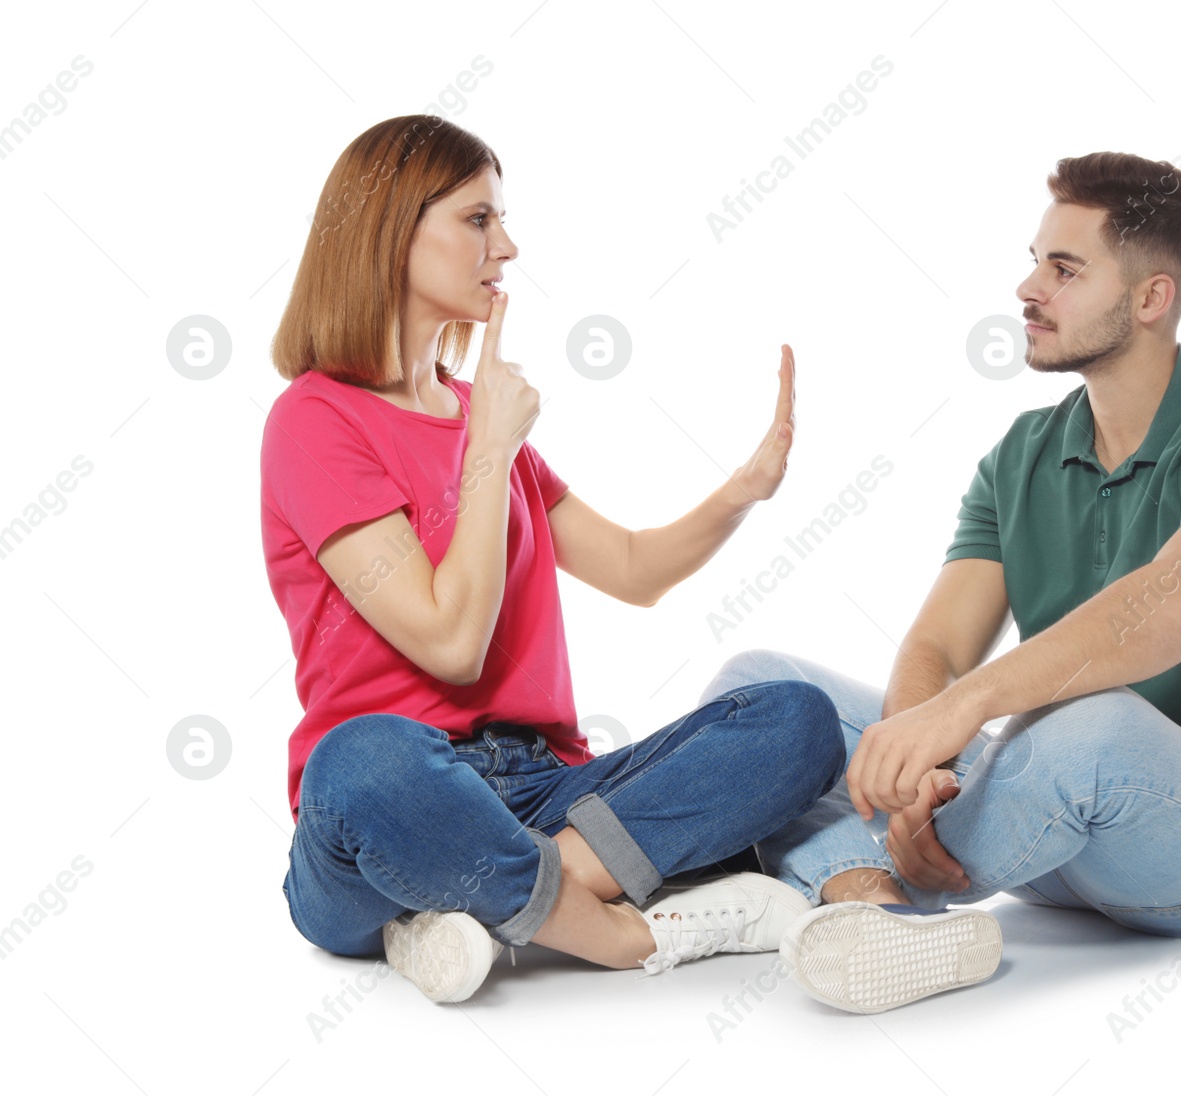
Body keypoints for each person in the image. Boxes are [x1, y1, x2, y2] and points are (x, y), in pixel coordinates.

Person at [702, 151, 1181, 1014]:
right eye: (1036, 260)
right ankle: (876, 906)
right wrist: (918, 769)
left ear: (1152, 298)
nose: (1026, 288)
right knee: (763, 684)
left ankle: (820, 881)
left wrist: (961, 712)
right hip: (1046, 827)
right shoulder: (1023, 454)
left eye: (1064, 269)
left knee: (1100, 726)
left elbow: (1176, 604)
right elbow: (938, 645)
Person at [259, 114, 844, 1004]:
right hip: (388, 808)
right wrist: (488, 445)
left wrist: (742, 491)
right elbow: (451, 645)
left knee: (796, 720)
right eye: (478, 219)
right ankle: (612, 931)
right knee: (363, 761)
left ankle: (476, 908)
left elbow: (636, 570)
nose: (509, 245)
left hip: (540, 786)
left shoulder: (476, 412)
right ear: (393, 229)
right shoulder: (316, 421)